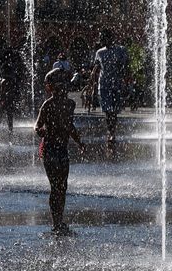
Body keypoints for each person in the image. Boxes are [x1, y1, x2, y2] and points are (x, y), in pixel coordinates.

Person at [35, 68, 86, 235]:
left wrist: (79, 142)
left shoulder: (70, 104)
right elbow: (37, 125)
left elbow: (69, 126)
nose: (62, 89)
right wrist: (40, 131)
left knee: (62, 186)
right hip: (49, 149)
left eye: (64, 85)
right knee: (55, 186)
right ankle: (55, 222)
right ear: (51, 88)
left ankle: (60, 220)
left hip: (62, 150)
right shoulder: (47, 104)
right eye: (57, 86)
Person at [91, 29, 129, 145]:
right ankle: (111, 132)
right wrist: (93, 81)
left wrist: (125, 81)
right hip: (104, 85)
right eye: (101, 38)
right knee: (107, 111)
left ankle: (113, 131)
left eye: (104, 38)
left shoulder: (121, 50)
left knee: (114, 111)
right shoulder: (99, 52)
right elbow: (96, 68)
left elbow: (125, 66)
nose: (102, 40)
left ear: (111, 38)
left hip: (116, 84)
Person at [0, 63, 17, 135]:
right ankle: (10, 131)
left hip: (2, 100)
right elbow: (12, 91)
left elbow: (2, 92)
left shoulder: (3, 81)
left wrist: (2, 100)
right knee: (9, 116)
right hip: (9, 100)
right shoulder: (11, 80)